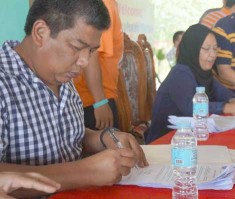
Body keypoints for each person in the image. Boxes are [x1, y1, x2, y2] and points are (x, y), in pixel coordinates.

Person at [0, 0, 148, 198]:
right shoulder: (4, 82)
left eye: (91, 51)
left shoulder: (62, 77)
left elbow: (67, 136)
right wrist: (85, 172)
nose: (85, 62)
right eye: (77, 47)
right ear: (40, 32)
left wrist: (102, 138)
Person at [145, 24, 235, 144]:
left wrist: (233, 100)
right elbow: (190, 107)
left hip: (193, 138)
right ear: (193, 49)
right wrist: (226, 107)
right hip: (166, 142)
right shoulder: (180, 73)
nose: (213, 54)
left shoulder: (205, 73)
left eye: (215, 48)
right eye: (207, 49)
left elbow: (223, 93)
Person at [74, 0, 123, 130]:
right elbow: (91, 55)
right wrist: (100, 101)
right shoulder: (104, 5)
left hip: (96, 98)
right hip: (96, 101)